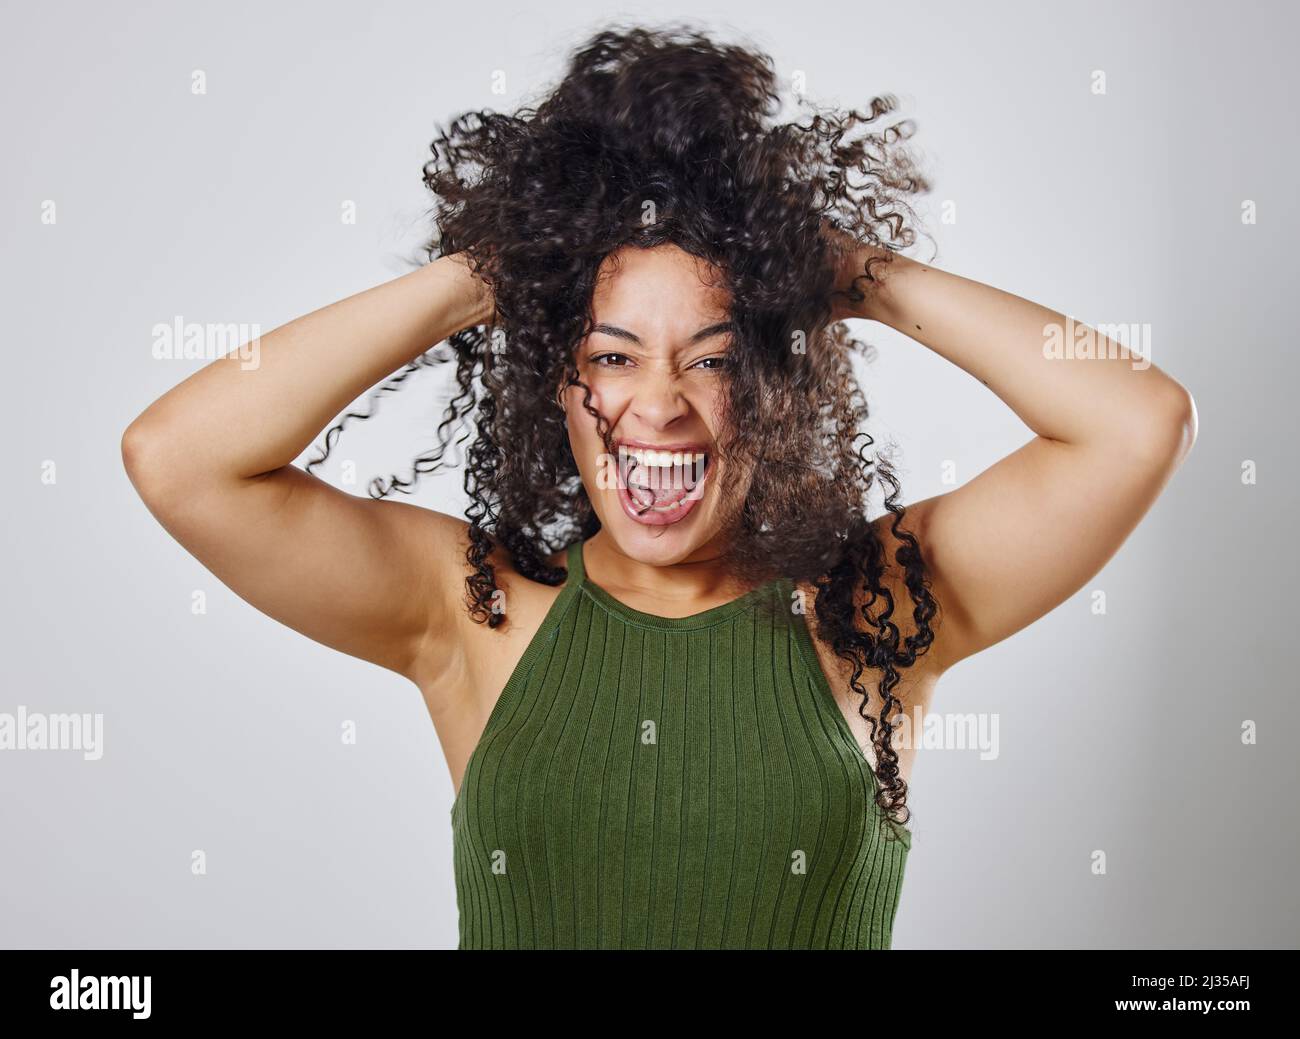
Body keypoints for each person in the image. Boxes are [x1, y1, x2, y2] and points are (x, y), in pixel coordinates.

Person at [121, 25, 1196, 949]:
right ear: (558, 372)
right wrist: (500, 271)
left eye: (715, 358)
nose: (661, 404)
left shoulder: (879, 608)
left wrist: (853, 273)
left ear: (776, 383)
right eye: (613, 354)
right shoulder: (470, 614)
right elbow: (177, 458)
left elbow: (1135, 422)